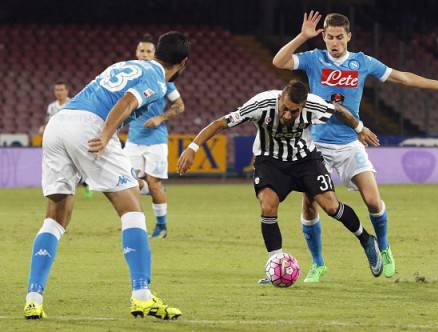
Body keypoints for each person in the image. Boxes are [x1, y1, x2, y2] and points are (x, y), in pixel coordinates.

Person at [272, 11, 438, 281]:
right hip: (316, 144)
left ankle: (383, 247)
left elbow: (403, 77)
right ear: (323, 37)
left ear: (349, 36)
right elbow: (279, 61)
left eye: (339, 37)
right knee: (309, 205)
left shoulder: (362, 62)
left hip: (350, 143)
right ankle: (318, 264)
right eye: (329, 37)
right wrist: (303, 37)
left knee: (373, 200)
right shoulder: (314, 59)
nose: (335, 42)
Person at [24, 31, 190, 320]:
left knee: (56, 216)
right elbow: (126, 101)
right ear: (184, 63)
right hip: (91, 127)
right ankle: (142, 296)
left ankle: (33, 298)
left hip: (58, 124)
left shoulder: (126, 64)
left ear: (157, 51)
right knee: (132, 210)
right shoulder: (156, 79)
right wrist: (103, 134)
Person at [177, 80, 383, 284]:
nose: (287, 115)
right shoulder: (260, 104)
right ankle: (275, 265)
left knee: (331, 206)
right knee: (268, 205)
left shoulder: (314, 105)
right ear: (280, 97)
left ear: (302, 107)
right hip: (270, 161)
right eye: (284, 108)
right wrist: (192, 148)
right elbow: (220, 123)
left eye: (293, 112)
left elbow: (338, 109)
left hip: (305, 160)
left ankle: (366, 239)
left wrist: (359, 128)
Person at [124, 34, 185, 239]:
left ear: (155, 54)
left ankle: (161, 226)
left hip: (156, 140)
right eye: (142, 51)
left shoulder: (163, 79)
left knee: (154, 182)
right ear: (136, 53)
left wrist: (160, 117)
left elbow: (179, 106)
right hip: (133, 139)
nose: (144, 54)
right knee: (128, 183)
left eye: (149, 51)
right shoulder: (130, 77)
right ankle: (138, 223)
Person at [39, 82, 94, 198]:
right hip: (57, 140)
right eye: (57, 90)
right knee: (63, 164)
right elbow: (49, 121)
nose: (59, 92)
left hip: (72, 137)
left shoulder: (73, 103)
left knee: (78, 163)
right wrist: (44, 127)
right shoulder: (52, 107)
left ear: (67, 91)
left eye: (61, 90)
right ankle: (63, 187)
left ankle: (87, 183)